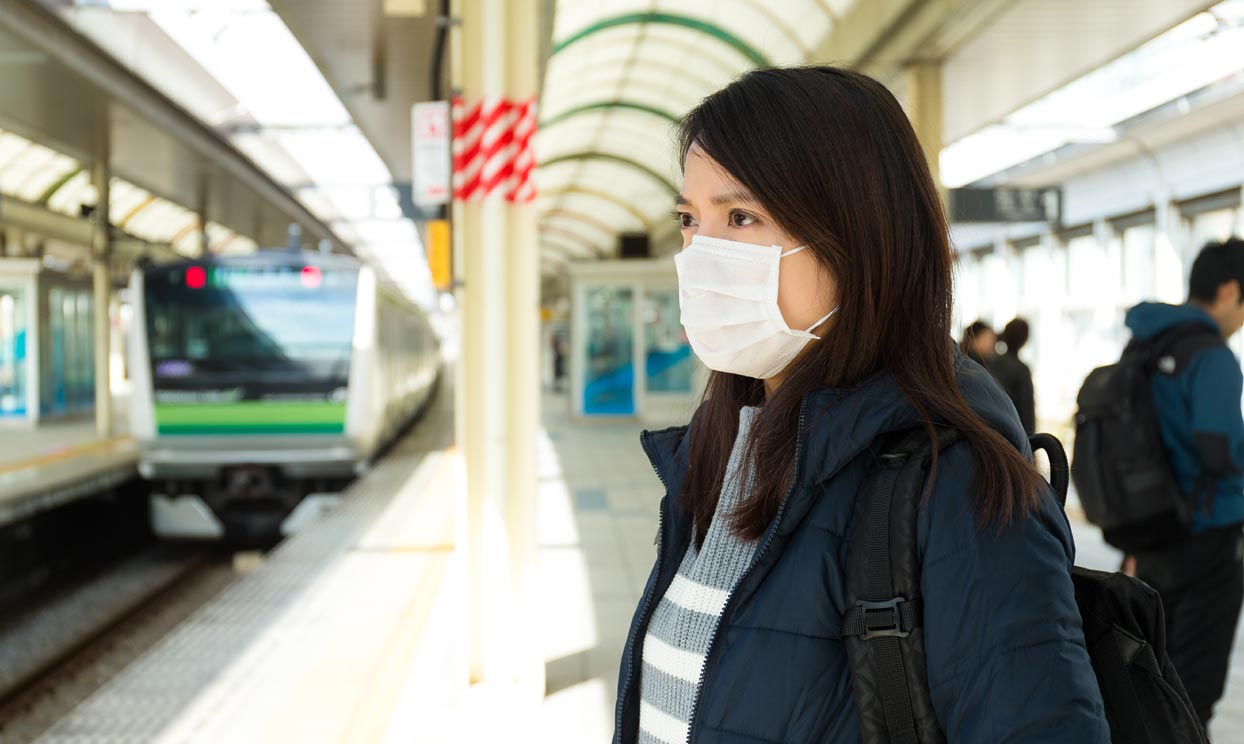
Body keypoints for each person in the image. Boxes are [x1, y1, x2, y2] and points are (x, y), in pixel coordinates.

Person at [613, 66, 1107, 744]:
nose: (699, 254)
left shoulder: (958, 488)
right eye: (688, 220)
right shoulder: (720, 453)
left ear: (856, 235)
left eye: (741, 216)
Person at [1126, 237, 1244, 729]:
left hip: (1150, 533)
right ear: (1229, 290)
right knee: (1194, 692)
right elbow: (1220, 452)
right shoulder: (1213, 356)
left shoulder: (1145, 344)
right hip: (1208, 544)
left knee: (1151, 684)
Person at [992, 318, 1037, 434]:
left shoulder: (991, 363)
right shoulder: (1022, 370)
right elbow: (1027, 413)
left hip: (992, 430)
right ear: (1025, 339)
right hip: (1013, 435)